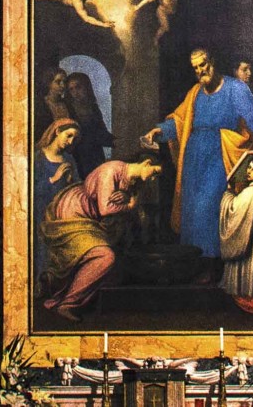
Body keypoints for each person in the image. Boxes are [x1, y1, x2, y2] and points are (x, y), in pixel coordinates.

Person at [142, 48, 253, 261]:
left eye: (203, 65)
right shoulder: (195, 92)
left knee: (207, 208)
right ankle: (192, 263)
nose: (200, 71)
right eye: (195, 68)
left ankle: (210, 263)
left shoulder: (234, 88)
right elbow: (180, 121)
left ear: (212, 61)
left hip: (218, 156)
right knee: (191, 211)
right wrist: (159, 131)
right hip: (193, 159)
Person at [41, 158, 162, 322]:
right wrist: (129, 206)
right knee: (105, 257)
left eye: (157, 176)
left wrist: (126, 197)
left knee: (116, 261)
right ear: (146, 163)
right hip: (75, 213)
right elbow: (105, 209)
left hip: (91, 219)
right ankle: (68, 304)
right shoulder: (110, 171)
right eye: (154, 171)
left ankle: (68, 292)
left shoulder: (134, 180)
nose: (153, 178)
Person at [219, 157, 253, 314]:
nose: (249, 172)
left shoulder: (251, 192)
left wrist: (228, 195)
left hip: (249, 245)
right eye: (249, 168)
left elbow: (233, 211)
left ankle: (250, 296)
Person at [34, 118, 81, 284]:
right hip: (41, 211)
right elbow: (29, 190)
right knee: (42, 249)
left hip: (61, 212)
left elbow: (77, 188)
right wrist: (54, 179)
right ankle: (40, 283)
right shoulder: (38, 157)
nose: (70, 141)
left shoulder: (69, 159)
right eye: (69, 135)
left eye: (74, 139)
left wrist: (70, 181)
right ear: (57, 131)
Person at [65, 72, 115, 179]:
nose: (75, 93)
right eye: (71, 89)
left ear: (86, 87)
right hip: (79, 157)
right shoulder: (68, 110)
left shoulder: (93, 108)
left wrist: (115, 141)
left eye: (78, 87)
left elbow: (102, 131)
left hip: (96, 156)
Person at [34, 66, 72, 142]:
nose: (63, 85)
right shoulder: (40, 105)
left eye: (64, 82)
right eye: (58, 82)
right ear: (49, 83)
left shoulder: (67, 104)